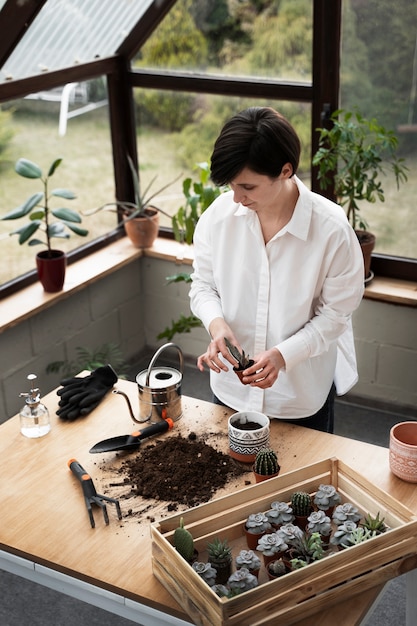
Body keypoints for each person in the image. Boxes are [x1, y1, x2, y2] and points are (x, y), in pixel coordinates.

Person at [189, 106, 365, 433]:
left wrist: (284, 355)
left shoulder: (331, 231)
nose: (237, 197)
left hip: (298, 399)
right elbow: (202, 285)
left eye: (248, 188)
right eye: (231, 185)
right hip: (230, 392)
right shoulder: (218, 218)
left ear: (285, 171)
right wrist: (216, 325)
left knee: (306, 485)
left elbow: (336, 315)